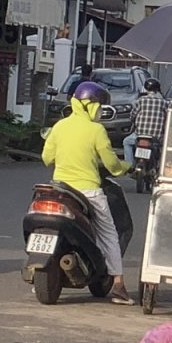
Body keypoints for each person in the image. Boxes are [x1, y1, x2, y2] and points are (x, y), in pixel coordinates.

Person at [43, 79, 135, 303]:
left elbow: (47, 158)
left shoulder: (60, 126)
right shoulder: (96, 130)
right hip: (89, 191)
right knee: (109, 234)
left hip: (61, 190)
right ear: (89, 105)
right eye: (99, 106)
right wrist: (126, 167)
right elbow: (112, 165)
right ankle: (118, 285)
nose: (101, 111)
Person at [128, 76, 170, 162]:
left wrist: (133, 122)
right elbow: (168, 118)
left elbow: (132, 115)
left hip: (139, 135)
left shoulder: (140, 100)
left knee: (126, 142)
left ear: (146, 88)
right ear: (157, 89)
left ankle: (129, 165)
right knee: (163, 148)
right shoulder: (164, 103)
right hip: (156, 136)